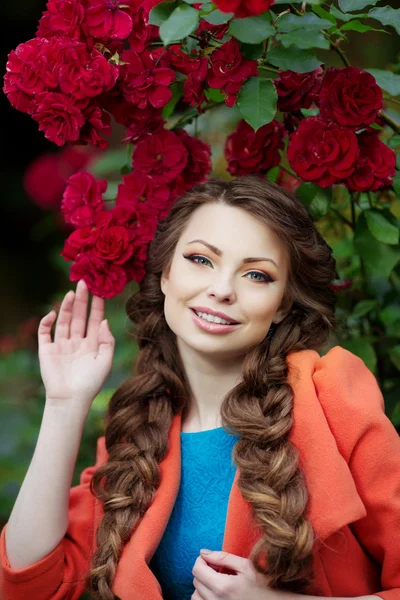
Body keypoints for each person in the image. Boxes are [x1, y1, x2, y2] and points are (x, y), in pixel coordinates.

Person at [1, 175, 399, 600]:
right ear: (167, 274)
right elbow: (29, 583)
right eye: (201, 260)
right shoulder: (139, 431)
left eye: (257, 275)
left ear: (283, 303)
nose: (222, 290)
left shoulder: (331, 396)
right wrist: (64, 404)